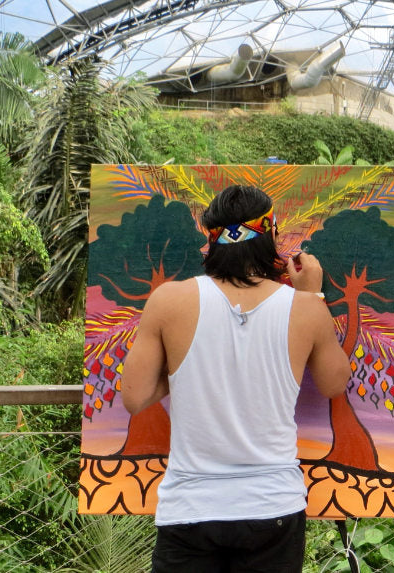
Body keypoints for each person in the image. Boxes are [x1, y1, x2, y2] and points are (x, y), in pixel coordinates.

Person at [122, 184, 351, 572]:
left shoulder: (169, 301)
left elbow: (134, 396)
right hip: (272, 507)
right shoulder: (305, 310)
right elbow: (334, 383)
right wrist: (313, 295)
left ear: (211, 241)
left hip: (190, 508)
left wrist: (186, 367)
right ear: (272, 237)